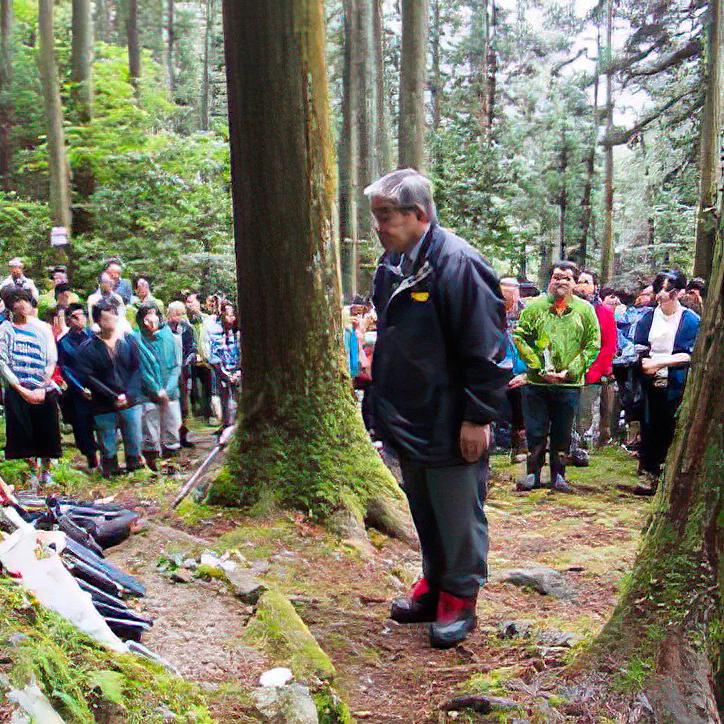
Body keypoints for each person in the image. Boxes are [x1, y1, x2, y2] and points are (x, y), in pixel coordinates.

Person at [366, 169, 507, 649]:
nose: (379, 227)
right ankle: (434, 580)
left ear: (418, 215)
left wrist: (478, 417)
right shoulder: (393, 264)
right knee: (423, 506)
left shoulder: (459, 264)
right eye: (376, 217)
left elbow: (486, 349)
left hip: (451, 416)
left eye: (385, 217)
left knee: (456, 509)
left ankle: (460, 597)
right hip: (409, 415)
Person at [512, 261, 600, 493]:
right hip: (537, 384)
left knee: (562, 431)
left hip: (569, 384)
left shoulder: (585, 310)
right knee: (535, 429)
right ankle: (532, 473)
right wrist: (538, 367)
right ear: (550, 280)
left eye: (567, 278)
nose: (561, 282)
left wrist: (570, 371)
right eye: (556, 277)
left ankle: (559, 475)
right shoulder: (534, 308)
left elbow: (593, 344)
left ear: (574, 283)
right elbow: (520, 337)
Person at [632, 270, 700, 495]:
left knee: (672, 428)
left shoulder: (690, 319)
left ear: (679, 292)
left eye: (668, 289)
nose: (663, 294)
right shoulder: (648, 318)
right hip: (650, 382)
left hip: (677, 383)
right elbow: (639, 348)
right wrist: (645, 364)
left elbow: (688, 354)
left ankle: (669, 476)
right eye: (660, 288)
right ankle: (648, 473)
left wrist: (660, 363)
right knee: (649, 427)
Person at [0, 288, 61, 487]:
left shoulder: (43, 327)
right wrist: (21, 389)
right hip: (18, 387)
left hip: (42, 386)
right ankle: (32, 471)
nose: (22, 305)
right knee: (23, 431)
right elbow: (3, 362)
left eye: (25, 300)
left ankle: (47, 471)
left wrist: (42, 386)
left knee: (47, 430)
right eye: (17, 301)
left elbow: (51, 357)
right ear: (11, 306)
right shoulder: (5, 329)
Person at [77, 300, 144, 477]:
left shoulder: (129, 341)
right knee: (107, 440)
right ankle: (110, 469)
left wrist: (128, 395)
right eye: (106, 318)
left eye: (114, 316)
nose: (111, 321)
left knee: (134, 436)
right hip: (103, 402)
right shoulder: (88, 347)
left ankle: (135, 467)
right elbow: (88, 377)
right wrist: (112, 395)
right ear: (98, 321)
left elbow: (137, 369)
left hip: (130, 400)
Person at [572, 270, 617, 448]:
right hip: (568, 370)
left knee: (585, 410)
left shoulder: (604, 313)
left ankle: (584, 446)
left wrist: (594, 369)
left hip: (593, 372)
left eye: (587, 282)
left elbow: (609, 346)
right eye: (579, 281)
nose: (582, 286)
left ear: (595, 287)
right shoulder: (566, 309)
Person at [135, 303, 182, 469]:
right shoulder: (136, 340)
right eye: (148, 314)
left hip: (171, 394)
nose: (152, 318)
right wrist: (156, 390)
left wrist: (168, 390)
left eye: (154, 313)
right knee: (150, 434)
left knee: (171, 431)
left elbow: (177, 365)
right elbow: (142, 369)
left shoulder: (169, 336)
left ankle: (172, 466)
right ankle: (152, 466)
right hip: (148, 395)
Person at [57, 303, 98, 470]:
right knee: (81, 424)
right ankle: (90, 457)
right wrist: (80, 388)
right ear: (68, 319)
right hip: (77, 390)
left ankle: (108, 456)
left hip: (98, 386)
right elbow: (65, 368)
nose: (80, 319)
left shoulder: (94, 336)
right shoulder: (63, 343)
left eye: (82, 315)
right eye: (75, 316)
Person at [499, 277, 528, 462]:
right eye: (504, 294)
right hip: (498, 363)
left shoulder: (527, 311)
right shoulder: (490, 310)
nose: (508, 299)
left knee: (520, 399)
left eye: (512, 292)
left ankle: (520, 443)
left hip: (522, 366)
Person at [167, 301, 197, 448]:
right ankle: (171, 438)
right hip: (169, 372)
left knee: (184, 405)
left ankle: (183, 436)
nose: (180, 317)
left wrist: (187, 361)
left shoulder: (187, 329)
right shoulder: (164, 331)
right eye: (177, 314)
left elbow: (192, 348)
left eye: (182, 313)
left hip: (184, 372)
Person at [207, 300, 241, 427]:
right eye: (228, 315)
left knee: (237, 402)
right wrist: (225, 374)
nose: (231, 318)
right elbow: (214, 356)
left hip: (237, 373)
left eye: (233, 315)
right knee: (226, 404)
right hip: (222, 373)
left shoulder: (238, 333)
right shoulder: (215, 332)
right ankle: (227, 427)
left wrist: (238, 372)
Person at [184, 291, 214, 423]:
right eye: (188, 302)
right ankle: (195, 415)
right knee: (193, 389)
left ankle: (207, 415)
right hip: (191, 361)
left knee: (207, 387)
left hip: (206, 360)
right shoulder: (185, 322)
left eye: (192, 302)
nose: (189, 305)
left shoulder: (207, 319)